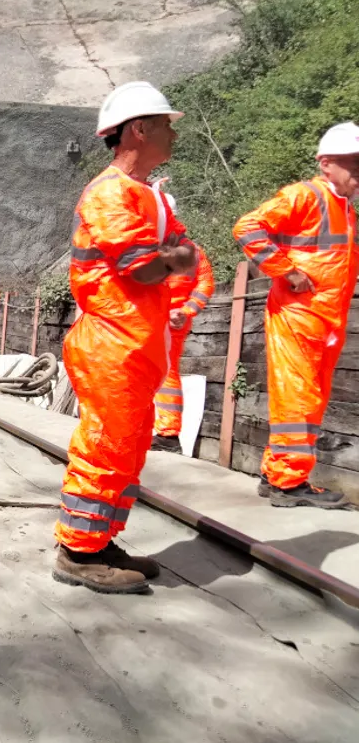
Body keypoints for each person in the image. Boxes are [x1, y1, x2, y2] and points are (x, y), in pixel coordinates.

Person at [55, 81, 197, 595]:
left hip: (136, 344)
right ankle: (77, 551)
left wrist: (173, 257)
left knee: (129, 448)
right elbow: (145, 268)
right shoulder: (110, 193)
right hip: (111, 344)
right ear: (139, 129)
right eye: (165, 124)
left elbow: (186, 254)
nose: (172, 133)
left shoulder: (151, 199)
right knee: (106, 446)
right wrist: (170, 258)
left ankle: (101, 539)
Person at [232, 121, 359, 509]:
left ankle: (279, 474)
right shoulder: (304, 196)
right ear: (326, 164)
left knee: (310, 397)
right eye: (353, 166)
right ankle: (288, 483)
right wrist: (285, 272)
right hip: (298, 315)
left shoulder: (345, 210)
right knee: (299, 397)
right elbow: (247, 227)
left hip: (324, 318)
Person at [151, 191, 215, 453]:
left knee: (160, 373)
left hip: (160, 321)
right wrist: (187, 311)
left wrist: (184, 310)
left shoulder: (151, 248)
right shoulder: (193, 251)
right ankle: (163, 432)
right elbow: (205, 284)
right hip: (170, 320)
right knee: (164, 372)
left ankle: (166, 434)